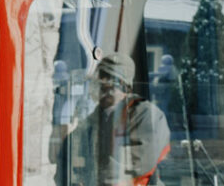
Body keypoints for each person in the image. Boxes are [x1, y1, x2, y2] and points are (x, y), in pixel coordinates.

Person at [56, 52, 170, 186]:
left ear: (126, 87)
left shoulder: (147, 114)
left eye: (111, 84)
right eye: (101, 83)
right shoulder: (97, 115)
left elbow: (137, 162)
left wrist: (91, 168)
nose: (104, 90)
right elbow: (69, 150)